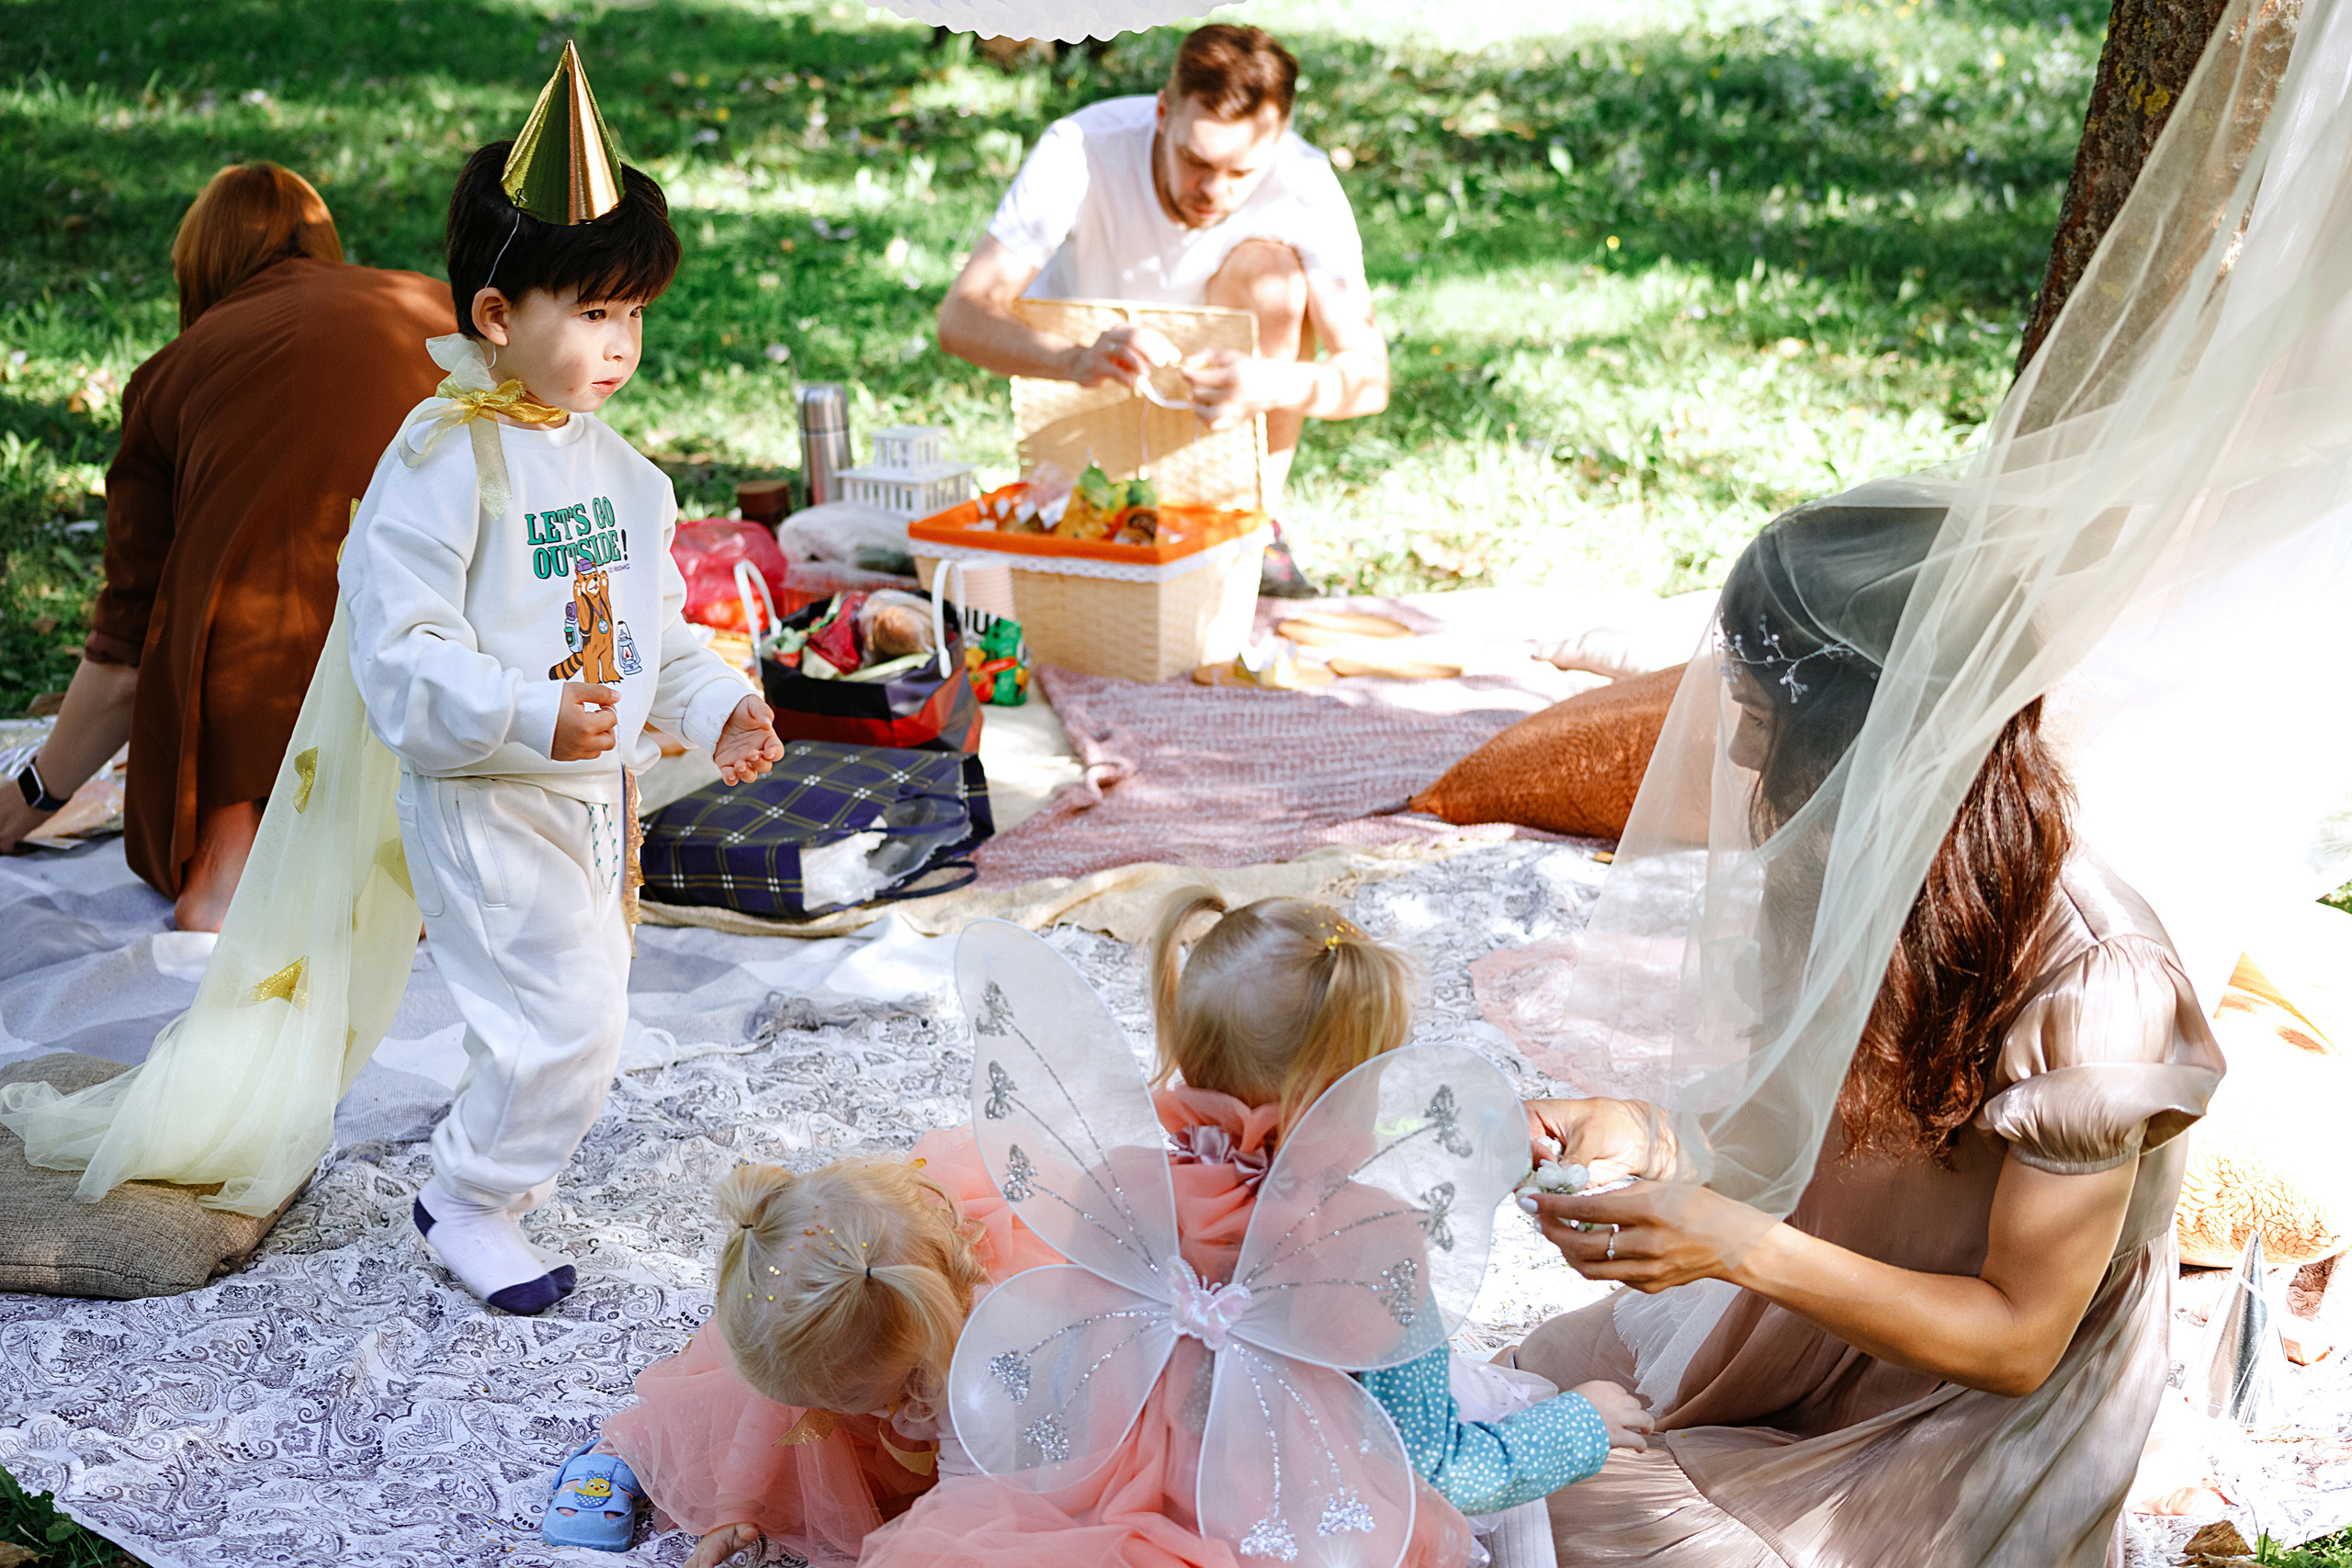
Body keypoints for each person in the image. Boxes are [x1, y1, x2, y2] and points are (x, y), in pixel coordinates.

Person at [1505, 497, 2226, 1565]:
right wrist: (1636, 1138)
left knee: (1554, 1502)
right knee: (1508, 1406)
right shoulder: (1827, 870)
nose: (1743, 754)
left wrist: (1733, 1245)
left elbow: (2018, 1340)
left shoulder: (2098, 977)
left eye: (1762, 717)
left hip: (1965, 1424)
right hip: (1818, 1312)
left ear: (1866, 735)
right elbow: (1789, 1132)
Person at [343, 47, 785, 1315]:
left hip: (595, 795)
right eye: (592, 312)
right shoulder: (443, 463)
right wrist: (532, 709)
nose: (621, 341)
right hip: (488, 790)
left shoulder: (618, 470)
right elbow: (399, 653)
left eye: (633, 313)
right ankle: (467, 1196)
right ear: (497, 317)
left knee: (578, 1004)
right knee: (563, 1019)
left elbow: (652, 625)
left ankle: (492, 1167)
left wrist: (714, 705)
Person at [858, 893, 1651, 1568]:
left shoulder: (1118, 1182)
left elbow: (1073, 1373)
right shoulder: (1372, 1245)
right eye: (1381, 1073)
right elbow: (1428, 1467)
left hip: (1112, 1506)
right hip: (1285, 1527)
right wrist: (1582, 1425)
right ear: (1330, 1094)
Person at [0, 163, 455, 931]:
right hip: (440, 692)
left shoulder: (169, 375)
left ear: (200, 269)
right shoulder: (431, 308)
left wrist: (29, 797)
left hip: (251, 705)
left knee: (231, 622)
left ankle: (228, 848)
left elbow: (122, 662)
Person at [936, 24, 1388, 594]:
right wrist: (1076, 359)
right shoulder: (1080, 148)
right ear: (1161, 113)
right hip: (1089, 393)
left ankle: (1253, 527)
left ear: (1278, 143)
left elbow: (1369, 379)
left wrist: (1272, 382)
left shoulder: (1303, 182)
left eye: (1242, 172)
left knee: (1272, 272)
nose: (1213, 190)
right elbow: (961, 316)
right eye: (1195, 159)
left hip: (1225, 409)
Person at [550, 1142, 1064, 1563]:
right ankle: (624, 1446)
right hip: (848, 1344)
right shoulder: (800, 1323)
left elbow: (967, 1501)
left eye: (840, 1400)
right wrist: (735, 1506)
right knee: (724, 1406)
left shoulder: (970, 1371)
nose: (820, 1411)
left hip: (973, 1411)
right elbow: (764, 1412)